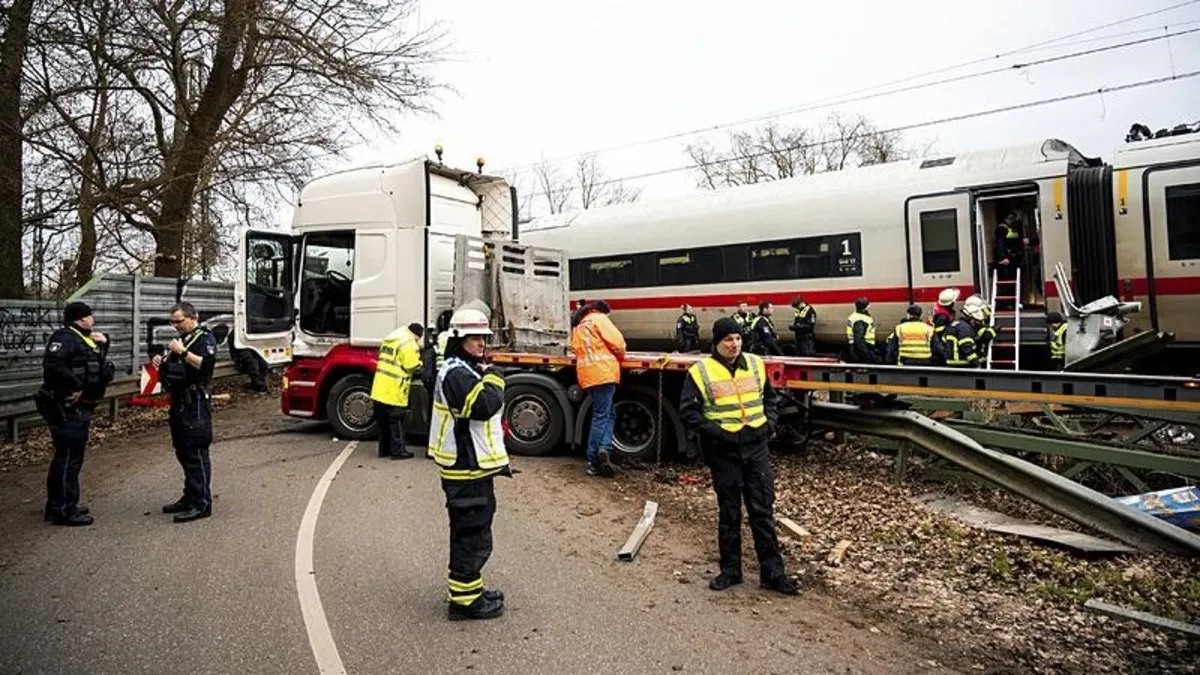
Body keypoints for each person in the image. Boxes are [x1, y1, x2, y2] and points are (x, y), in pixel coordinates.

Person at [679, 318, 798, 596]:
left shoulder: (756, 364)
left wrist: (769, 424)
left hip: (756, 448)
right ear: (716, 343)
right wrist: (717, 433)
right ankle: (731, 570)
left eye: (738, 339)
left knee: (762, 511)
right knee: (729, 513)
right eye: (727, 340)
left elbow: (770, 398)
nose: (734, 345)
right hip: (724, 452)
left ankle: (773, 573)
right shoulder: (700, 372)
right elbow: (689, 412)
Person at [426, 304, 511, 621]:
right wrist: (496, 378)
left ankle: (470, 591)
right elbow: (484, 405)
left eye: (484, 338)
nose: (482, 344)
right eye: (475, 338)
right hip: (465, 472)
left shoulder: (462, 369)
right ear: (459, 338)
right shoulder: (457, 373)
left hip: (471, 469)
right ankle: (464, 603)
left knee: (473, 534)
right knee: (471, 537)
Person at [36, 301, 113, 526]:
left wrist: (104, 345)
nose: (93, 319)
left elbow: (93, 364)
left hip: (79, 406)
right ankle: (64, 509)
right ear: (81, 319)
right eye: (90, 316)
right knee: (68, 457)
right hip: (68, 406)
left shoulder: (82, 338)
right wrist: (77, 385)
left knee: (67, 456)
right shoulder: (65, 338)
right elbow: (52, 365)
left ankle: (58, 504)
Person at [153, 302, 218, 523]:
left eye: (179, 321)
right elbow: (173, 372)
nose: (176, 326)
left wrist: (182, 352)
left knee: (196, 452)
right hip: (179, 402)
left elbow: (205, 365)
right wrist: (161, 363)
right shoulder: (182, 340)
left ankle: (202, 503)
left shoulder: (204, 339)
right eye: (173, 322)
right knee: (183, 451)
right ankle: (190, 496)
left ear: (192, 317)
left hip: (196, 402)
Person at [571, 300, 626, 477]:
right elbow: (618, 343)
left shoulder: (580, 326)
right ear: (603, 311)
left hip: (588, 376)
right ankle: (594, 459)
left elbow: (575, 349)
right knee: (602, 416)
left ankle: (604, 448)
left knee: (608, 414)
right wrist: (621, 356)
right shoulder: (599, 319)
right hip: (604, 373)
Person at [371, 322, 424, 460]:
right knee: (396, 421)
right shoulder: (408, 342)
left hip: (380, 387)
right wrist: (420, 363)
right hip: (395, 388)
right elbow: (411, 365)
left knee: (383, 422)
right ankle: (398, 451)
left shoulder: (392, 338)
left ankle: (384, 450)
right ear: (416, 335)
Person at [943, 300, 989, 368]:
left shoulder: (956, 324)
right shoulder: (965, 329)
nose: (977, 323)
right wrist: (976, 361)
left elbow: (943, 340)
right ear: (971, 318)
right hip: (962, 364)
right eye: (976, 321)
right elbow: (966, 348)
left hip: (951, 363)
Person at [845, 297, 879, 364]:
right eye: (867, 305)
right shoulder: (860, 319)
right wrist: (866, 356)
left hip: (857, 348)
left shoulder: (856, 316)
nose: (869, 306)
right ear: (864, 307)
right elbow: (859, 339)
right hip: (862, 349)